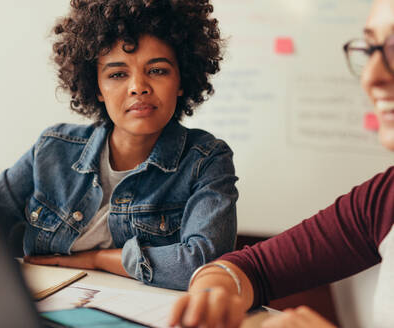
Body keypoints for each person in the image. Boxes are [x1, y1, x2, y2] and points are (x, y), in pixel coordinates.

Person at [0, 0, 238, 290]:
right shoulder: (52, 150)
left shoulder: (206, 160)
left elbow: (204, 265)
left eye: (157, 70)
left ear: (182, 80)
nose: (137, 86)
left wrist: (98, 259)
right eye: (117, 74)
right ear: (97, 88)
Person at [169, 0, 394, 326]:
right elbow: (252, 268)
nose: (372, 76)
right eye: (371, 49)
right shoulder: (384, 198)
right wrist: (212, 295)